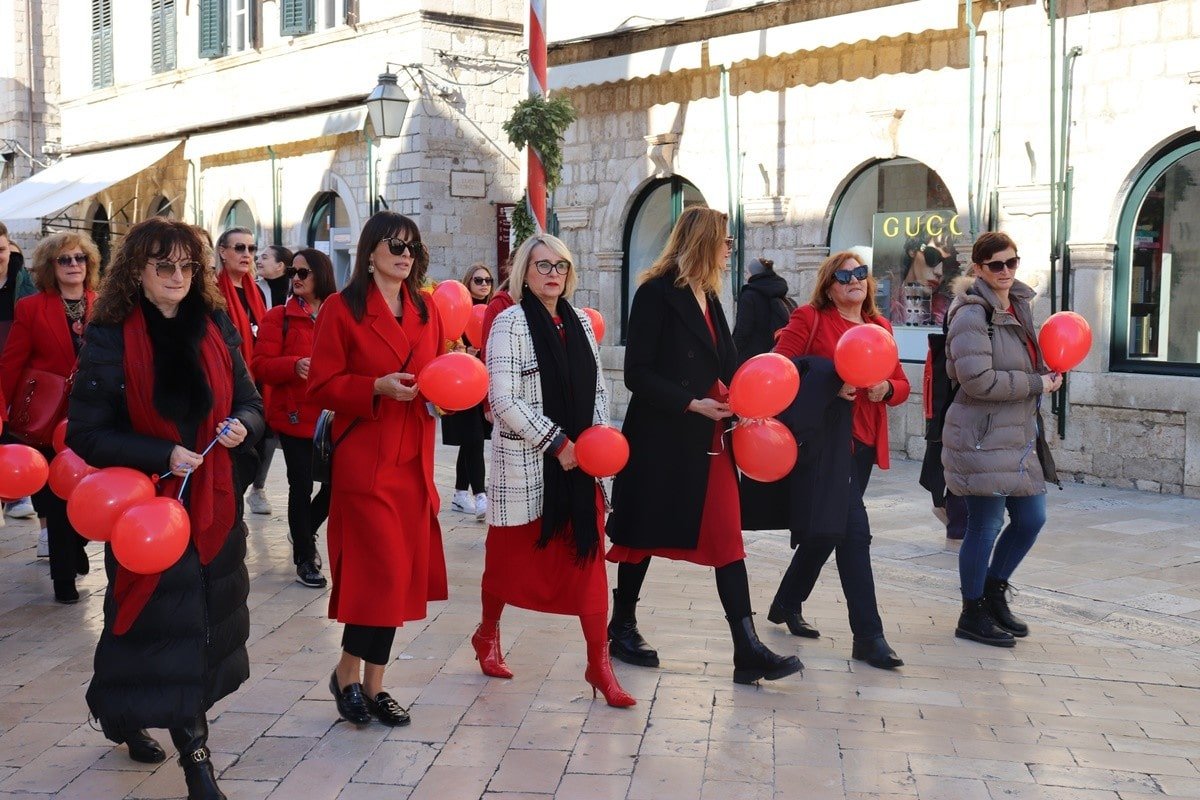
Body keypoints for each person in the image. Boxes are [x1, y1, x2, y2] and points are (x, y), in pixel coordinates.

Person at [67, 217, 263, 800]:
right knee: (155, 625)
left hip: (213, 506)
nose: (177, 276)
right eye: (163, 266)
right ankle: (196, 761)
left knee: (197, 628)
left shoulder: (217, 325)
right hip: (146, 510)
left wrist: (239, 428)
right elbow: (86, 433)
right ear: (138, 271)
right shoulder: (109, 336)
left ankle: (127, 716)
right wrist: (162, 453)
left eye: (187, 265)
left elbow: (254, 404)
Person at [606, 207, 802, 685]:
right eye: (725, 241)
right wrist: (690, 403)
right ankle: (622, 624)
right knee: (640, 537)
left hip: (710, 439)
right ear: (703, 242)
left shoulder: (711, 295)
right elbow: (637, 374)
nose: (730, 249)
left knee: (725, 538)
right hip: (661, 437)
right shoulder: (655, 293)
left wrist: (741, 395)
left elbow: (723, 360)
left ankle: (747, 648)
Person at [474, 235, 634, 708]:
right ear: (524, 271)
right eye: (543, 265)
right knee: (506, 562)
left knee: (588, 569)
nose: (553, 274)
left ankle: (598, 664)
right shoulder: (508, 322)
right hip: (529, 467)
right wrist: (556, 442)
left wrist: (596, 443)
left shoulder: (582, 322)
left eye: (561, 266)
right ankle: (487, 633)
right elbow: (501, 398)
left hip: (582, 468)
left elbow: (599, 393)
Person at [307, 211, 448, 728]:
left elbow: (433, 374)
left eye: (411, 245)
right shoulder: (342, 311)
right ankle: (348, 673)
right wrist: (374, 386)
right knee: (382, 573)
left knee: (397, 576)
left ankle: (371, 684)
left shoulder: (426, 308)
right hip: (365, 456)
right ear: (370, 252)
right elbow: (320, 386)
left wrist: (444, 397)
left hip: (413, 458)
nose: (404, 253)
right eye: (394, 244)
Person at [769, 250, 910, 670]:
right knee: (853, 532)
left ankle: (786, 602)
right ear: (829, 286)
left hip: (862, 445)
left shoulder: (880, 327)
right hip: (825, 444)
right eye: (844, 275)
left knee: (828, 529)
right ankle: (869, 636)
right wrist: (832, 382)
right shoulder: (810, 319)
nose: (854, 280)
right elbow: (781, 368)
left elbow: (901, 383)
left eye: (861, 274)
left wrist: (886, 389)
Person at [942, 231, 1061, 648]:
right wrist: (1036, 383)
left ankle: (993, 593)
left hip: (1018, 434)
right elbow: (976, 380)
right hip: (981, 436)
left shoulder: (1021, 306)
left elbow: (1031, 362)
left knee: (1032, 519)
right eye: (996, 265)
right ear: (978, 268)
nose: (1006, 271)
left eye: (1012, 262)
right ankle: (971, 611)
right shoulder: (971, 315)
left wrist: (1048, 373)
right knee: (985, 525)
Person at [0, 231, 100, 603]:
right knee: (58, 499)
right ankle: (64, 582)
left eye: (80, 259)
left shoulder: (104, 305)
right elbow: (11, 365)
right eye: (65, 260)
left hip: (92, 419)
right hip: (45, 421)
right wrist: (1, 411)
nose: (74, 265)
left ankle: (74, 546)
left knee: (90, 492)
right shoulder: (31, 308)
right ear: (50, 267)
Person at [253, 248, 337, 589]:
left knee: (337, 484)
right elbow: (259, 365)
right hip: (295, 415)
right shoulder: (278, 317)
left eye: (304, 273)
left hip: (334, 415)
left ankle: (303, 529)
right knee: (300, 485)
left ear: (321, 274)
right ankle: (305, 556)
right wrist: (293, 365)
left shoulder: (341, 313)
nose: (297, 279)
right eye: (293, 273)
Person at [214, 227, 274, 516]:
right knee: (235, 451)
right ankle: (232, 507)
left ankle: (255, 489)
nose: (247, 255)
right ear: (223, 252)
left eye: (251, 249)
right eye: (239, 248)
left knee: (264, 439)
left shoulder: (257, 291)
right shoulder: (214, 291)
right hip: (230, 381)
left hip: (258, 377)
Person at [445, 262, 494, 519]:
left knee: (470, 441)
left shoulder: (493, 313)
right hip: (461, 385)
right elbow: (446, 344)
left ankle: (459, 494)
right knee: (473, 439)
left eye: (487, 280)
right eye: (478, 280)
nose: (484, 284)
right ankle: (481, 496)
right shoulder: (458, 312)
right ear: (468, 282)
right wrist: (462, 352)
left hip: (482, 387)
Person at [0, 224, 37, 534]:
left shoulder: (25, 285)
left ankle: (18, 491)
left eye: (0, 250)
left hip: (17, 371)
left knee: (16, 430)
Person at [732, 256, 794, 365]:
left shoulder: (749, 295)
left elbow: (743, 330)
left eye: (748, 272)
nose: (747, 276)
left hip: (751, 359)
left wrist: (732, 352)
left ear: (754, 273)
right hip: (775, 355)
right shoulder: (779, 292)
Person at [256, 244, 293, 309]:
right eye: (258, 258)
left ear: (279, 266)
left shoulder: (297, 289)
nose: (257, 261)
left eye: (264, 258)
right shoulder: (255, 288)